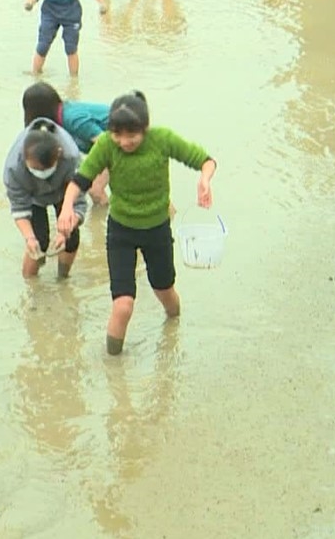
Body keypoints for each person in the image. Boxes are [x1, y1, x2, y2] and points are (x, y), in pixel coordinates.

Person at [56, 91, 217, 355]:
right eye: (118, 134)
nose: (125, 141)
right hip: (121, 232)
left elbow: (206, 160)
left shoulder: (162, 140)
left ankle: (173, 335)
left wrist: (204, 180)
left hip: (157, 231)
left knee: (165, 293)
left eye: (132, 135)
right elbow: (80, 180)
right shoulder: (107, 145)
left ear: (145, 128)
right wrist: (66, 209)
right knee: (123, 306)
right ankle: (113, 371)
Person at [3, 118, 87, 279]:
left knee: (71, 238)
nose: (42, 174)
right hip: (32, 195)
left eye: (47, 169)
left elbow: (79, 204)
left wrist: (65, 232)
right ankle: (31, 287)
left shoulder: (71, 158)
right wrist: (29, 238)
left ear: (59, 155)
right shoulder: (14, 168)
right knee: (38, 243)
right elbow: (19, 207)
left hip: (64, 190)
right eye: (36, 169)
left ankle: (63, 279)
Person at [22, 81, 110, 205]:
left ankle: (101, 221)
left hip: (118, 142)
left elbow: (105, 143)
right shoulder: (57, 121)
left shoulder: (72, 119)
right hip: (107, 146)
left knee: (95, 190)